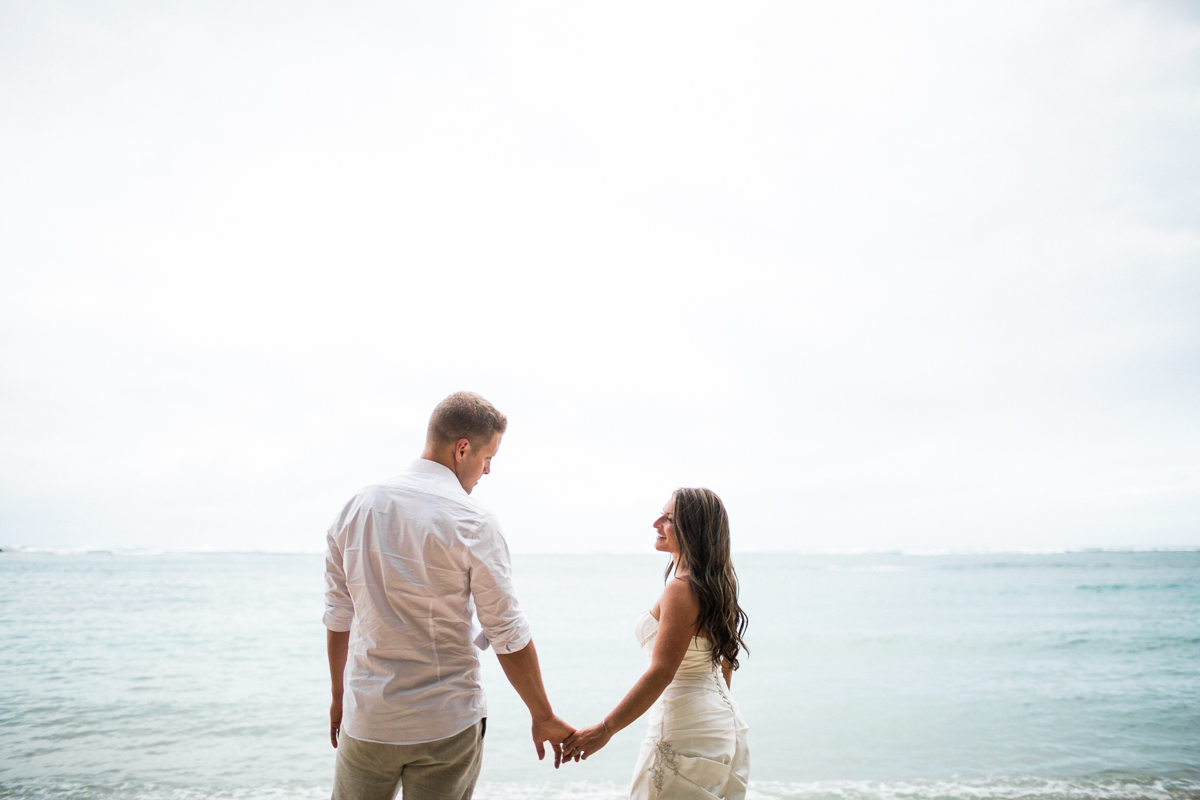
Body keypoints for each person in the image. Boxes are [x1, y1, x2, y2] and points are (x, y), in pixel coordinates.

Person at [323, 392, 573, 800]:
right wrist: (542, 715)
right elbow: (506, 629)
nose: (487, 471)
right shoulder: (474, 521)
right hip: (447, 723)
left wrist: (339, 698)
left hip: (369, 718)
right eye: (487, 458)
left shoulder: (356, 508)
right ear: (462, 449)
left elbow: (338, 615)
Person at [562, 488, 750, 799]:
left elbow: (662, 672)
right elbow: (725, 663)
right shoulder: (719, 583)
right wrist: (712, 716)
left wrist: (605, 730)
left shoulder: (681, 589)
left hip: (686, 728)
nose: (656, 523)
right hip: (726, 724)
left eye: (668, 518)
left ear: (693, 529)